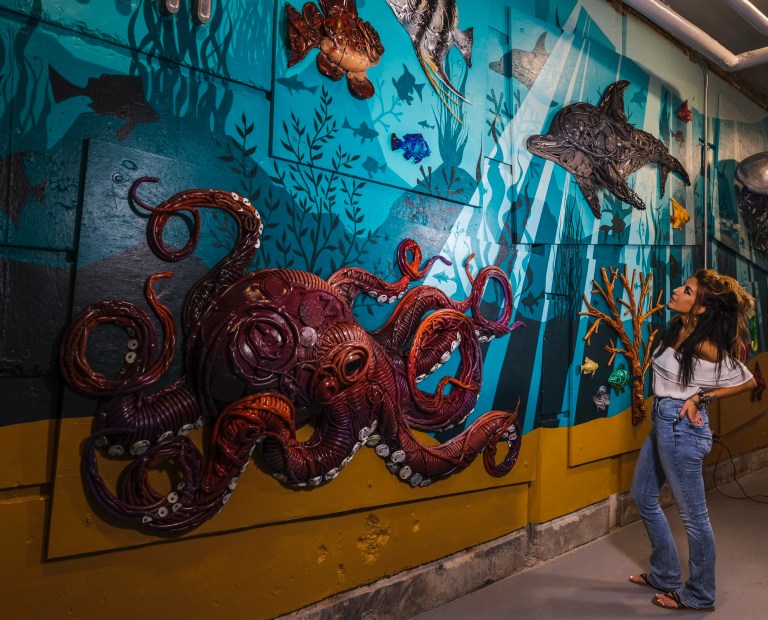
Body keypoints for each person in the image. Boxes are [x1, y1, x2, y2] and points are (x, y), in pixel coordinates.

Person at [629, 269, 757, 612]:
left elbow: (747, 381)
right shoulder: (677, 329)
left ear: (699, 308)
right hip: (664, 422)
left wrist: (702, 398)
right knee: (642, 496)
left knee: (694, 518)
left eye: (686, 291)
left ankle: (701, 593)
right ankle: (665, 573)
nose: (676, 291)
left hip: (681, 428)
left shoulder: (704, 344)